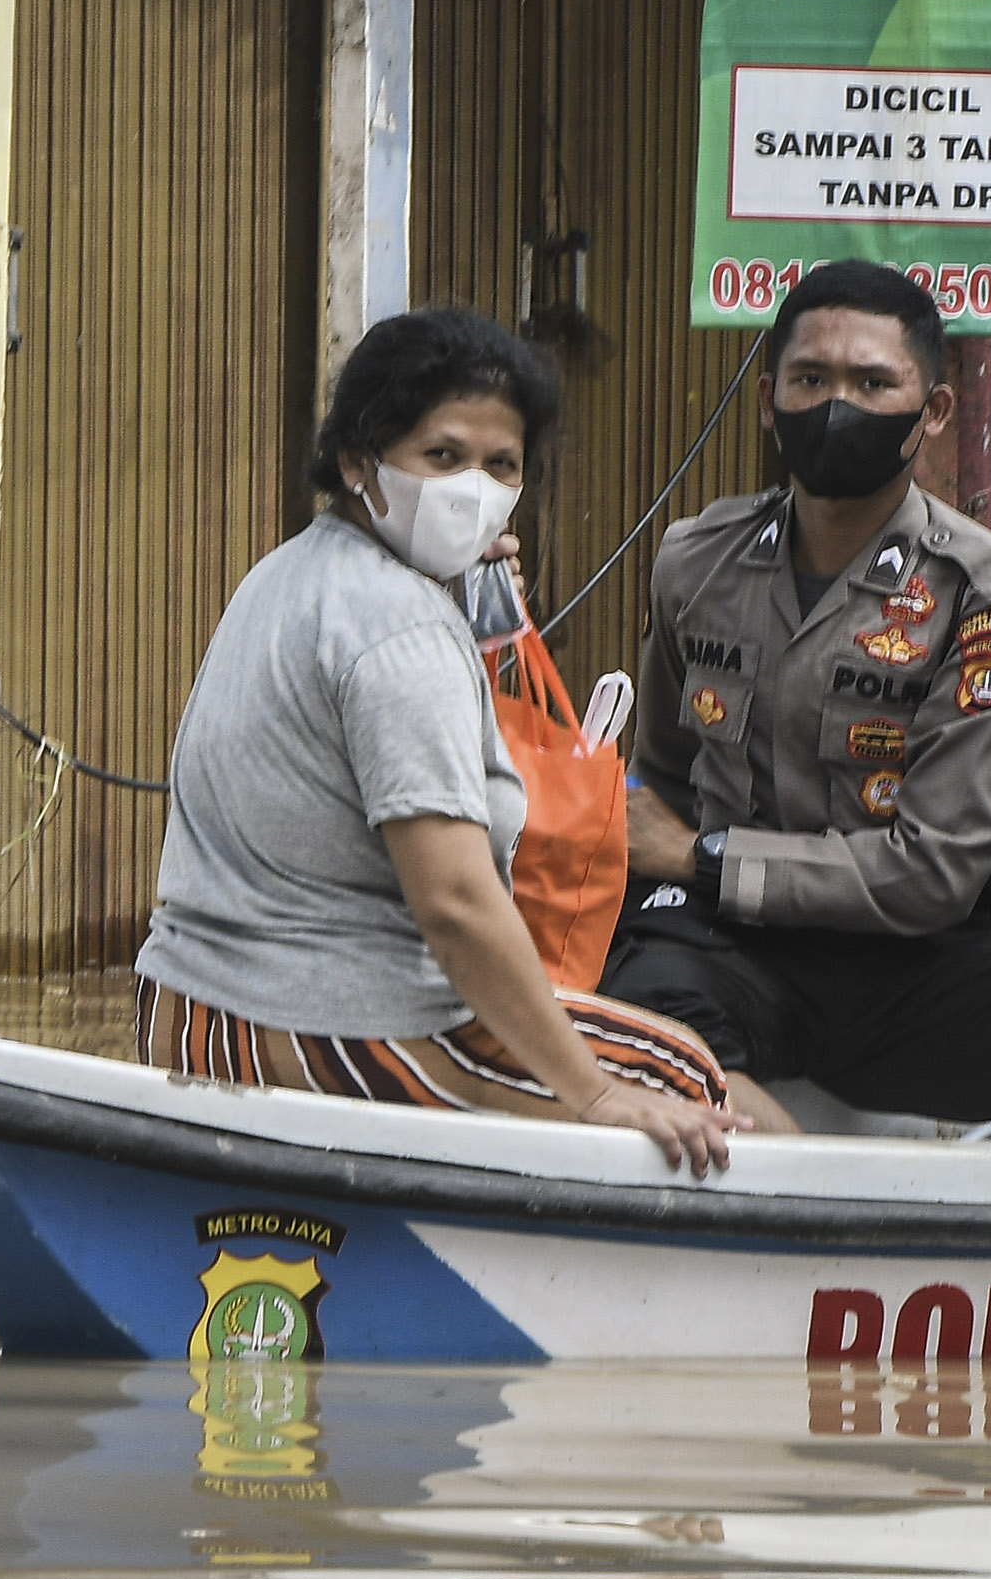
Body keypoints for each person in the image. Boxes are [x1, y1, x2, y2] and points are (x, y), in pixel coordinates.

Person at [132, 306, 741, 1174]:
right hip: (324, 1034)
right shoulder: (398, 629)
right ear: (359, 461)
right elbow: (455, 906)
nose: (474, 487)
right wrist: (596, 1094)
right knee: (687, 1079)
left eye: (501, 465)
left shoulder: (296, 571)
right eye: (442, 456)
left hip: (190, 1013)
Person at [601, 259, 991, 1127]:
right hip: (724, 946)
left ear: (932, 411)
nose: (836, 406)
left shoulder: (989, 593)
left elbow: (931, 874)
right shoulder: (695, 561)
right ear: (770, 395)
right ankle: (782, 1242)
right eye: (811, 379)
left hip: (914, 958)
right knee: (644, 1040)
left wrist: (705, 858)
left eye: (872, 381)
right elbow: (662, 780)